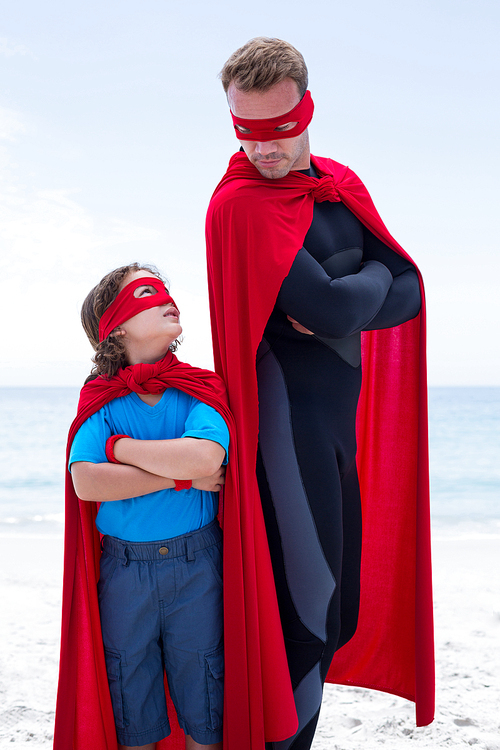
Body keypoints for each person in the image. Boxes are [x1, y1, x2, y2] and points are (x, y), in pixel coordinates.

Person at [206, 37, 435, 750]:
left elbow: (413, 288)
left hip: (339, 431)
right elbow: (356, 304)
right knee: (308, 618)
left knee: (344, 615)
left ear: (306, 110)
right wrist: (366, 286)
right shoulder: (241, 206)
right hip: (286, 430)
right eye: (245, 131)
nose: (262, 150)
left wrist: (353, 292)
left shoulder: (338, 186)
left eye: (276, 131)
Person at [53, 263, 234, 750]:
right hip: (124, 573)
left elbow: (206, 456)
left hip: (198, 567)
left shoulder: (199, 387)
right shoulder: (102, 400)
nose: (168, 299)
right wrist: (180, 477)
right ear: (117, 325)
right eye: (149, 293)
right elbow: (87, 482)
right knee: (132, 708)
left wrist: (120, 449)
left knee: (205, 703)